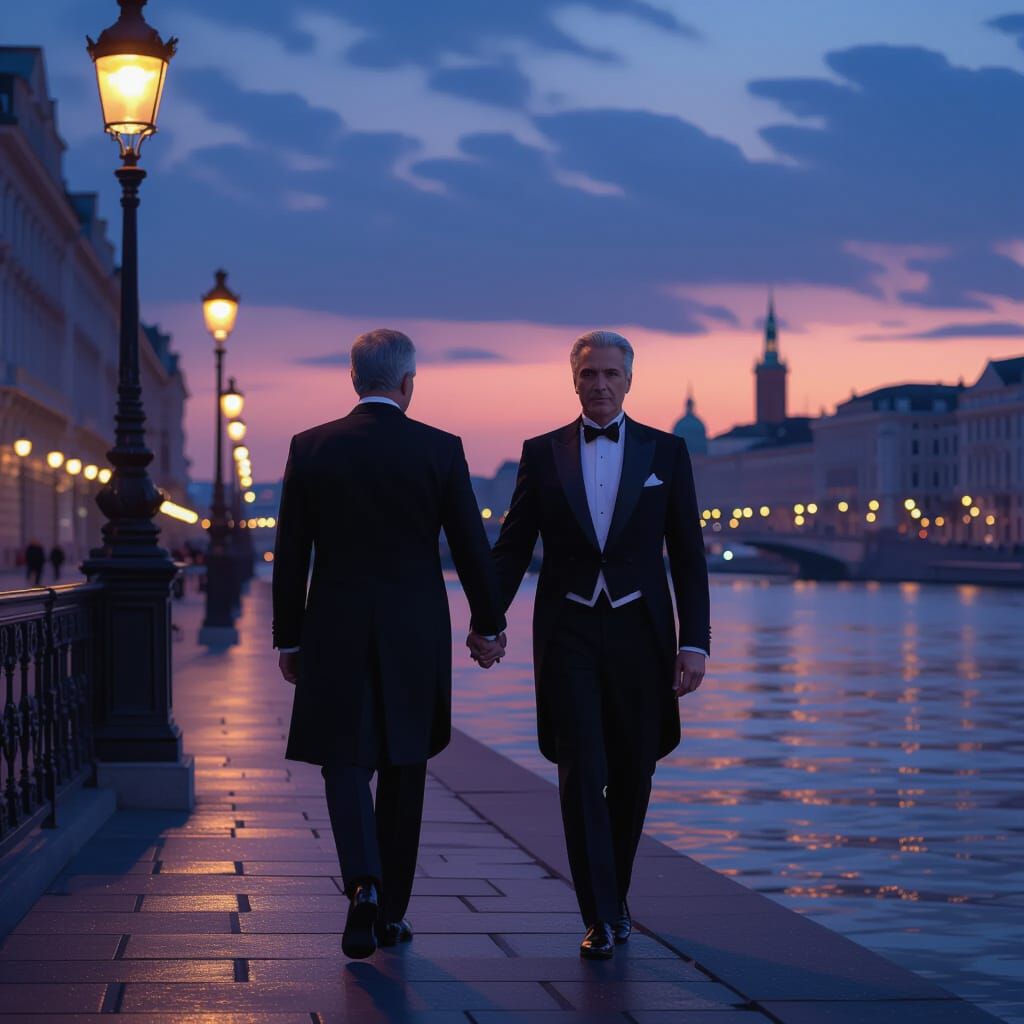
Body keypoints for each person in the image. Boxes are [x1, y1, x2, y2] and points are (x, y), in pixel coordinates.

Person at [469, 330, 710, 960]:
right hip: (568, 632)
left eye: (611, 374)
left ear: (629, 380)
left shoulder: (668, 452)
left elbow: (688, 556)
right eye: (589, 374)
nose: (600, 384)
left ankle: (616, 895)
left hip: (643, 635)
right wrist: (487, 621)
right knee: (580, 772)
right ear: (572, 380)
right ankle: (599, 915)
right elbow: (514, 548)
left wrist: (697, 644)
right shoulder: (541, 454)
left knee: (634, 768)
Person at [272, 328, 505, 960]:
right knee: (406, 763)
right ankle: (392, 914)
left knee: (344, 763)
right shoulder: (439, 449)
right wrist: (488, 625)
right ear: (408, 385)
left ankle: (364, 885)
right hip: (415, 629)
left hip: (334, 626)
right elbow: (469, 547)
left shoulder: (310, 447)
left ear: (354, 380)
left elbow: (292, 553)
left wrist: (289, 637)